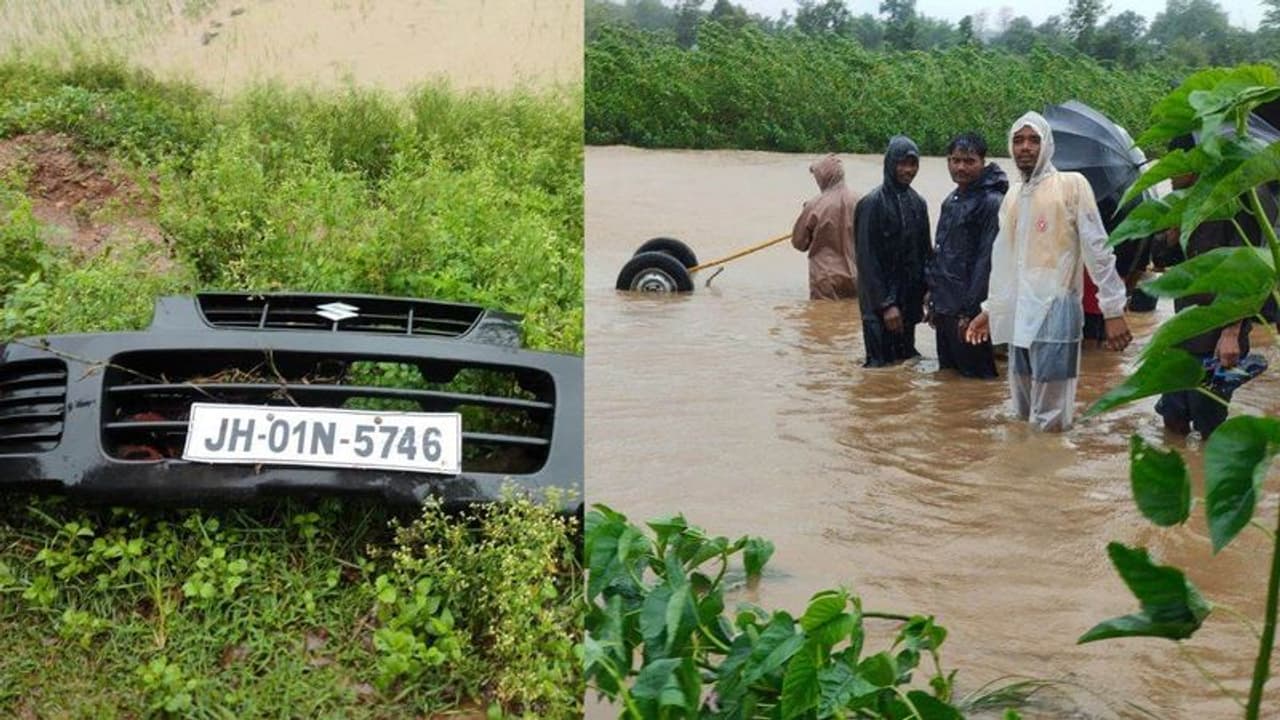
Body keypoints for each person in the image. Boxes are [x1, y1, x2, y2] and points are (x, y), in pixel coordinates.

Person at [965, 112, 1132, 431]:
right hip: (1018, 314)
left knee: (1051, 417)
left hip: (1056, 310)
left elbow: (1098, 250)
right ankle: (1024, 478)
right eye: (1018, 140)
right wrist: (991, 309)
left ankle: (1050, 470)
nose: (1025, 147)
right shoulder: (1013, 195)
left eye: (1033, 140)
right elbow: (1006, 261)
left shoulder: (1071, 186)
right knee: (1022, 411)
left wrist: (1112, 310)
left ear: (1047, 145)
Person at [1152, 135, 1277, 437]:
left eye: (1175, 169)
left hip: (1218, 335)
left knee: (1209, 422)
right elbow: (1159, 263)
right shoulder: (1182, 204)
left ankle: (1203, 478)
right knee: (1173, 417)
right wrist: (1170, 234)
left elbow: (1246, 272)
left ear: (1195, 164)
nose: (1169, 177)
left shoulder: (1237, 203)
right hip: (1184, 328)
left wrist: (1232, 333)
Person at [925, 132, 1008, 379]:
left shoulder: (992, 202)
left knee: (978, 381)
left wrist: (972, 312)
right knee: (949, 379)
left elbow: (987, 261)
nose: (960, 167)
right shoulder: (951, 200)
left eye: (969, 161)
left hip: (969, 312)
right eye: (955, 160)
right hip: (945, 308)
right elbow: (941, 251)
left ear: (983, 162)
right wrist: (933, 297)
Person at [855, 136, 931, 367]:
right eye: (902, 163)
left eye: (913, 164)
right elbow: (866, 260)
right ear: (889, 164)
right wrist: (886, 304)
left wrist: (929, 292)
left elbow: (924, 253)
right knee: (879, 370)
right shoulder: (871, 204)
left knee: (905, 367)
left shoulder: (918, 203)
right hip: (878, 308)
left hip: (908, 304)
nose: (908, 170)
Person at [791, 154, 859, 300]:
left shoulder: (814, 205)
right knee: (850, 319)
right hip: (857, 275)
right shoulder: (861, 201)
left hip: (825, 278)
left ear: (824, 177)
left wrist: (806, 214)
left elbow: (799, 243)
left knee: (822, 319)